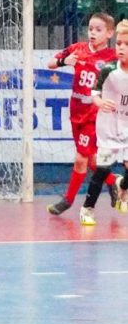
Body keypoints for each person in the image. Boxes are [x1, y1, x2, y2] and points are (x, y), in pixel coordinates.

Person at [47, 12, 118, 216]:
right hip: (76, 109)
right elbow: (50, 63)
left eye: (98, 30)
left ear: (109, 33)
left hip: (95, 114)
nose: (93, 33)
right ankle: (114, 183)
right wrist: (65, 61)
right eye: (90, 29)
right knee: (92, 160)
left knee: (80, 159)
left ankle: (68, 201)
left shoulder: (112, 56)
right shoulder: (78, 49)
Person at [79, 19, 128, 225]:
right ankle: (87, 209)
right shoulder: (109, 70)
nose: (121, 48)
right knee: (103, 170)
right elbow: (94, 95)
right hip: (108, 127)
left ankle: (122, 187)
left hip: (126, 126)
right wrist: (100, 103)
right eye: (118, 44)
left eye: (126, 44)